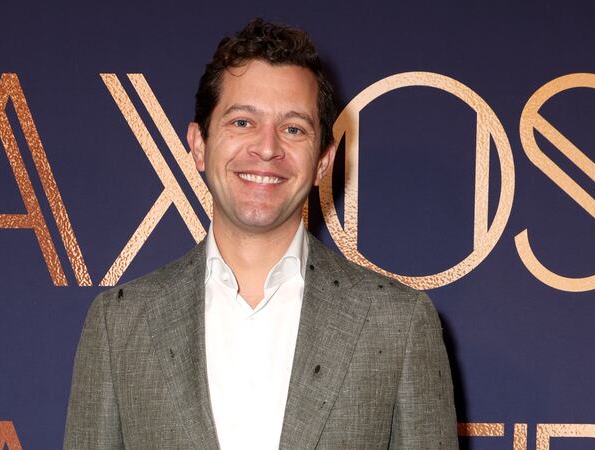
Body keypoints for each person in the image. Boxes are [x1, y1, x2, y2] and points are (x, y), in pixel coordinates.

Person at [64, 18, 458, 450]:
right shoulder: (119, 324)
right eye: (242, 122)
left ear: (322, 161)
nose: (267, 148)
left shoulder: (398, 325)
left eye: (293, 129)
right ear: (198, 145)